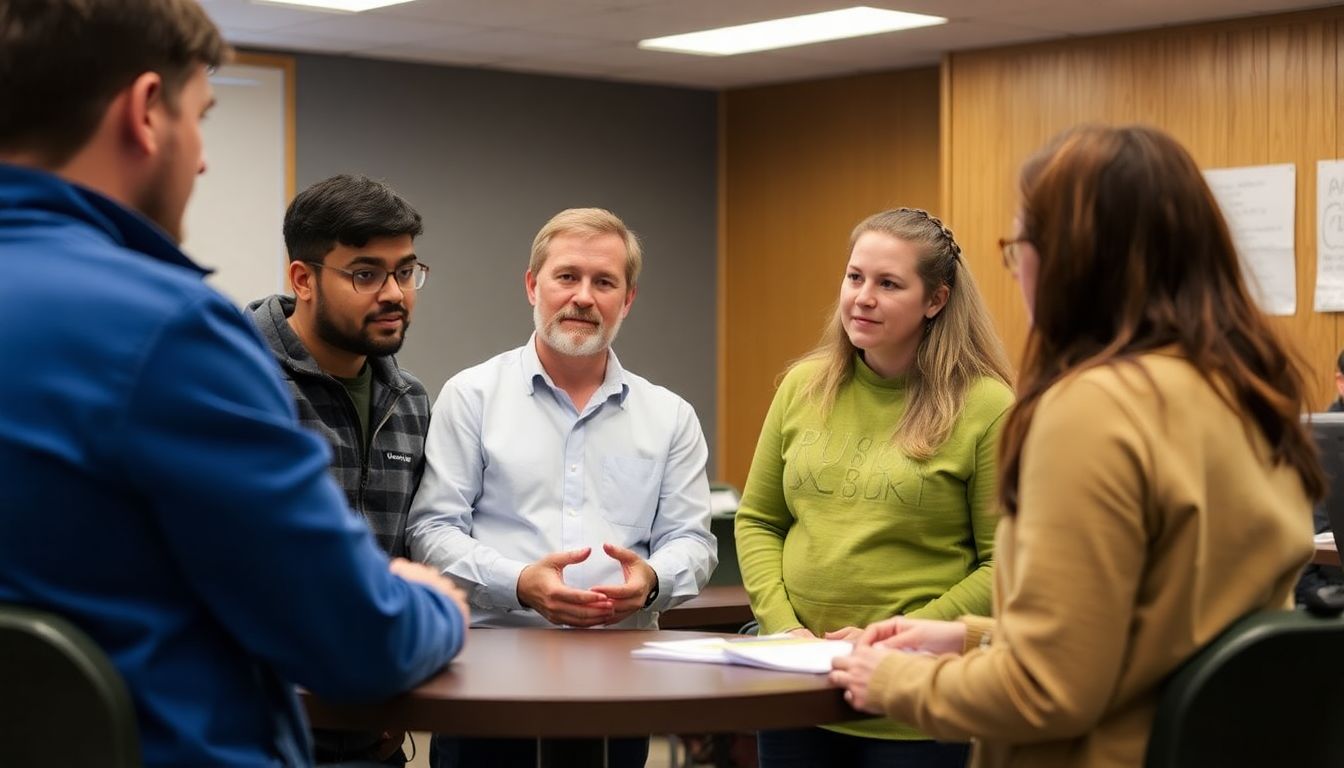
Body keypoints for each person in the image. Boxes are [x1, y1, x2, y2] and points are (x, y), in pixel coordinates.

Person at [0, 2, 469, 766]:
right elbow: (355, 638)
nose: (205, 158)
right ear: (147, 111)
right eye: (202, 116)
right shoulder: (166, 331)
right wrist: (435, 605)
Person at [830, 125, 1322, 768]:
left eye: (1020, 245)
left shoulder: (1093, 410)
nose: (1017, 269)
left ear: (1076, 257)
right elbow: (1165, 631)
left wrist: (892, 681)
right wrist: (970, 638)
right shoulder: (1247, 391)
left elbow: (1046, 691)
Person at [407, 207, 717, 768]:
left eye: (605, 282)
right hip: (485, 681)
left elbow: (694, 543)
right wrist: (521, 583)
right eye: (567, 276)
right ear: (533, 285)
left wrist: (650, 580)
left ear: (628, 301)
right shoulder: (471, 396)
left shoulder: (670, 416)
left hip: (619, 682)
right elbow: (431, 531)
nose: (583, 297)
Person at [734, 208, 1014, 766]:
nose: (863, 297)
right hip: (798, 684)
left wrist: (899, 637)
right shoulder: (802, 386)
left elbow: (1001, 564)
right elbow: (760, 519)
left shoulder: (987, 406)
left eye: (889, 284)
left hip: (911, 695)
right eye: (855, 277)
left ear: (935, 300)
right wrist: (784, 628)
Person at [247, 174, 433, 764]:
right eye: (365, 274)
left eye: (405, 271)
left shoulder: (409, 400)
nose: (395, 293)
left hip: (373, 730)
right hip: (261, 729)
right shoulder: (237, 381)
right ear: (302, 278)